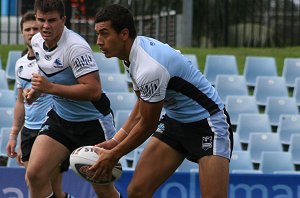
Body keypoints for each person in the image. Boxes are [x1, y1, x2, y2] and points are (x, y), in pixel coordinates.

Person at [90, 4, 234, 198]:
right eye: (98, 34)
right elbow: (142, 106)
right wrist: (115, 141)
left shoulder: (149, 67)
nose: (98, 41)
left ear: (124, 34)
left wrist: (114, 154)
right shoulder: (133, 54)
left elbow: (148, 124)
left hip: (208, 124)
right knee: (137, 191)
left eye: (104, 34)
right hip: (175, 121)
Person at [23, 0, 120, 197]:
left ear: (63, 20)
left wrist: (49, 88)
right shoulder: (36, 41)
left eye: (52, 20)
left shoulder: (76, 47)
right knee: (35, 175)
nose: (45, 26)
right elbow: (47, 75)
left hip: (92, 123)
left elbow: (93, 91)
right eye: (41, 20)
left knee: (103, 190)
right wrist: (37, 91)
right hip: (61, 118)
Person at [5, 11, 72, 198]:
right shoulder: (20, 64)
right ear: (22, 33)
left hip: (53, 131)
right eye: (27, 29)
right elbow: (20, 102)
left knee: (51, 188)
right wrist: (14, 136)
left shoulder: (53, 61)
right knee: (33, 183)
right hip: (29, 131)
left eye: (35, 28)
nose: (31, 32)